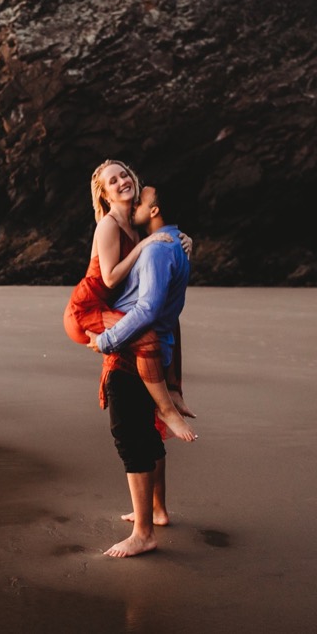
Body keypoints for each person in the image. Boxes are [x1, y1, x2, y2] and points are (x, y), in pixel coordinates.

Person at [85, 180, 192, 558]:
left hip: (131, 350)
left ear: (155, 210)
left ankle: (143, 532)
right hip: (155, 349)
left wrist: (107, 340)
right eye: (111, 180)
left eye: (145, 200)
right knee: (148, 433)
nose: (136, 199)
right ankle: (157, 511)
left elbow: (146, 309)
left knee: (130, 436)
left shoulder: (156, 251)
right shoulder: (171, 243)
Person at [63, 160, 197, 443]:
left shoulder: (138, 223)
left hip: (111, 308)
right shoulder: (109, 226)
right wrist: (144, 245)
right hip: (87, 309)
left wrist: (183, 238)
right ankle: (165, 409)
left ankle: (174, 390)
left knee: (170, 323)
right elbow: (110, 279)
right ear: (104, 195)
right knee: (147, 336)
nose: (121, 181)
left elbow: (161, 234)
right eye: (112, 181)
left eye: (124, 175)